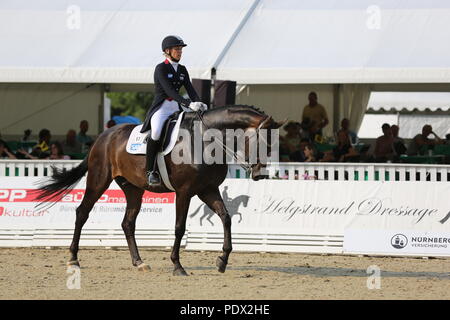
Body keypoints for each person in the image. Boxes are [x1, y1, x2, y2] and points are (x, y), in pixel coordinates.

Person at [140, 35, 207, 185]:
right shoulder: (161, 68)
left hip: (176, 108)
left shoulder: (182, 69)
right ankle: (150, 171)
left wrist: (199, 103)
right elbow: (170, 91)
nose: (180, 52)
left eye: (181, 49)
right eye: (177, 49)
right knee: (156, 132)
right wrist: (188, 104)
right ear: (167, 51)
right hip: (162, 108)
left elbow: (190, 89)